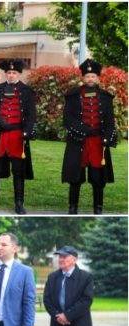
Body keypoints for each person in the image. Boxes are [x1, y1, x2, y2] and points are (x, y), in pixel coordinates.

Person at [62, 59, 117, 214]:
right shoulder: (72, 96)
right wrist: (84, 130)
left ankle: (98, 209)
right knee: (75, 178)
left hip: (98, 143)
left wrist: (107, 138)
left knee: (98, 179)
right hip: (77, 141)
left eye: (93, 76)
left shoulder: (106, 97)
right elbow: (67, 119)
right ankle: (72, 208)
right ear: (83, 78)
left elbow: (110, 122)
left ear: (97, 78)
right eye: (87, 76)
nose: (90, 79)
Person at [0, 60, 36, 214]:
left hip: (18, 137)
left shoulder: (27, 92)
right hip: (0, 135)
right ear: (5, 74)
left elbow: (31, 115)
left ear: (19, 74)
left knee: (19, 171)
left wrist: (27, 133)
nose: (11, 75)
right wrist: (0, 122)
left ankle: (19, 204)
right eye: (9, 73)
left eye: (14, 73)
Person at [42, 246, 94, 326]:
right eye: (60, 256)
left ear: (74, 259)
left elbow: (86, 300)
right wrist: (57, 315)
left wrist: (67, 316)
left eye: (64, 256)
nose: (61, 259)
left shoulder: (86, 277)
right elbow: (47, 300)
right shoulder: (52, 277)